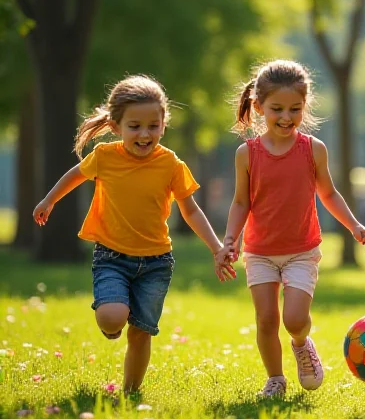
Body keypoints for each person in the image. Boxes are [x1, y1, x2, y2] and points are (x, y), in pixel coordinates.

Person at [33, 75, 233, 393]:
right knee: (113, 317)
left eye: (153, 126)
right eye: (134, 126)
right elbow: (76, 174)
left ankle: (130, 393)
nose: (144, 134)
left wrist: (216, 247)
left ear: (163, 124)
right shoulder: (105, 157)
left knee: (141, 333)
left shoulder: (170, 164)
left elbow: (191, 210)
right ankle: (113, 318)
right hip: (112, 256)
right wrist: (49, 200)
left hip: (156, 263)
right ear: (116, 126)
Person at [219, 60, 365, 398]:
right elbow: (241, 202)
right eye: (277, 109)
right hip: (260, 252)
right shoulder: (247, 154)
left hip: (302, 251)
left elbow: (329, 193)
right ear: (259, 107)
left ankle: (302, 344)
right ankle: (275, 378)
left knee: (294, 319)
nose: (286, 117)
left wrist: (354, 224)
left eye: (295, 109)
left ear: (305, 107)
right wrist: (230, 239)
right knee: (266, 320)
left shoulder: (313, 150)